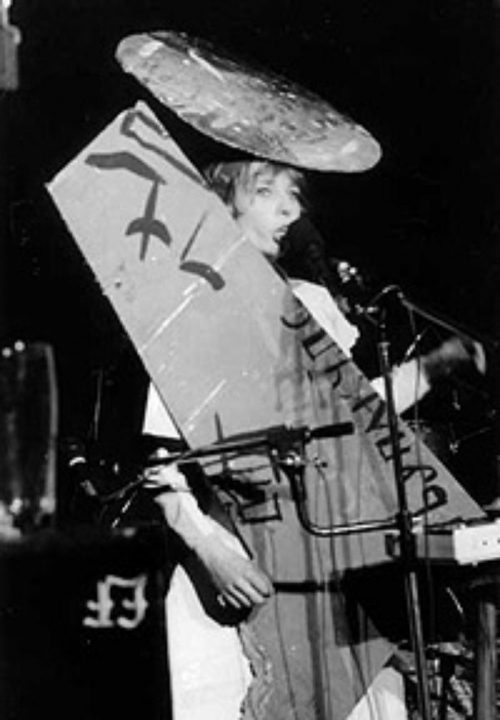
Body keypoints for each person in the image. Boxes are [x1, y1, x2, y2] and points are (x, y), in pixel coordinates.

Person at [141, 158, 484, 720]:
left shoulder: (310, 302)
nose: (290, 210)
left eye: (294, 194)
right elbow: (160, 463)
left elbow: (355, 412)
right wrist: (211, 553)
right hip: (236, 564)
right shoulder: (187, 308)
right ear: (222, 202)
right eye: (266, 192)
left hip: (326, 556)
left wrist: (436, 366)